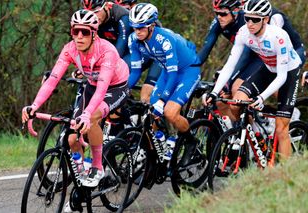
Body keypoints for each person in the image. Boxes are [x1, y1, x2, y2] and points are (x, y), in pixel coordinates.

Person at [22, 10, 130, 188]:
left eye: (85, 32)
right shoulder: (70, 49)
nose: (79, 37)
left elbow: (102, 90)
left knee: (93, 117)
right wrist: (34, 106)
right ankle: (80, 177)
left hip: (116, 87)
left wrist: (87, 114)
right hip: (93, 84)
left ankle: (97, 167)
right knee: (72, 139)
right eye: (75, 31)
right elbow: (53, 80)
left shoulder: (107, 52)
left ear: (94, 34)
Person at [203, 0, 301, 160]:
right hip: (267, 68)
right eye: (247, 18)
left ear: (266, 19)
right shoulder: (243, 32)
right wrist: (214, 92)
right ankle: (257, 136)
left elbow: (282, 76)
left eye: (255, 19)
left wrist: (261, 97)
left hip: (288, 72)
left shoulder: (279, 37)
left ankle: (285, 173)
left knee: (281, 128)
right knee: (236, 103)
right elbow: (230, 65)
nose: (250, 23)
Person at [128, 3, 202, 166]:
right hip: (167, 71)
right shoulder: (134, 39)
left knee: (169, 112)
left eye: (141, 27)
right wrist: (123, 90)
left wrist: (163, 100)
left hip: (187, 71)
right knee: (150, 109)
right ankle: (163, 141)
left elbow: (174, 73)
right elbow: (135, 71)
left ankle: (190, 142)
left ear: (152, 25)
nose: (137, 31)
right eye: (134, 27)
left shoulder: (164, 39)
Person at [83, 0, 161, 103]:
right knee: (116, 88)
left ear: (106, 6)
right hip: (133, 51)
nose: (93, 16)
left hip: (153, 54)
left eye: (96, 11)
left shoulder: (123, 17)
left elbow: (118, 51)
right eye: (89, 13)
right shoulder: (96, 20)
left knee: (144, 96)